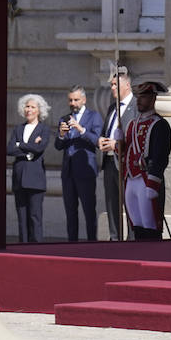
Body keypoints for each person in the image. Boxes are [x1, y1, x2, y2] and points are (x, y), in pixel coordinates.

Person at [119, 79, 171, 239]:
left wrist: (153, 183)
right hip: (131, 178)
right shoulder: (132, 125)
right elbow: (124, 152)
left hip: (146, 178)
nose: (139, 100)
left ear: (153, 99)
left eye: (144, 96)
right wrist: (118, 142)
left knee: (150, 224)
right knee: (136, 223)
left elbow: (160, 156)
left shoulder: (159, 124)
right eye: (138, 96)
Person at [54, 84, 102, 241]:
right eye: (70, 100)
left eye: (76, 100)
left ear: (84, 99)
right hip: (68, 172)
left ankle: (91, 244)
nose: (73, 103)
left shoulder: (93, 116)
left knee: (89, 210)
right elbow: (58, 146)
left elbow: (97, 141)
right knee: (70, 211)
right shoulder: (64, 118)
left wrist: (81, 129)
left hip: (85, 170)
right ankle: (72, 244)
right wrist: (61, 135)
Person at [98, 67, 134, 240]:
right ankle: (114, 238)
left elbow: (136, 136)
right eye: (111, 85)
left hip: (126, 164)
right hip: (109, 163)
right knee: (112, 204)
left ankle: (132, 239)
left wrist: (117, 145)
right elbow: (107, 130)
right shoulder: (113, 107)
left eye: (115, 85)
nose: (112, 88)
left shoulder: (135, 106)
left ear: (126, 85)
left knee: (130, 205)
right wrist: (102, 140)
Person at [8, 93, 49, 242]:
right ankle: (22, 246)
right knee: (22, 217)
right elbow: (9, 149)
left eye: (32, 107)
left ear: (39, 110)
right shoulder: (18, 129)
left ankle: (36, 248)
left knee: (35, 217)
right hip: (19, 178)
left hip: (35, 179)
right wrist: (28, 149)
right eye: (27, 106)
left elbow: (40, 149)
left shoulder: (43, 129)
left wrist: (20, 145)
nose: (29, 109)